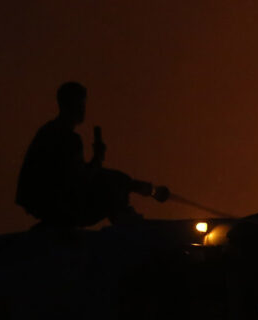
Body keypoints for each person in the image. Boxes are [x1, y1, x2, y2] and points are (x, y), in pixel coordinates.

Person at [15, 82, 167, 227]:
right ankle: (128, 224)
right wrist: (99, 159)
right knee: (112, 184)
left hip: (44, 203)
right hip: (56, 205)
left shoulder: (48, 131)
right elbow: (80, 179)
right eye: (79, 104)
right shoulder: (68, 139)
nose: (82, 109)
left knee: (114, 179)